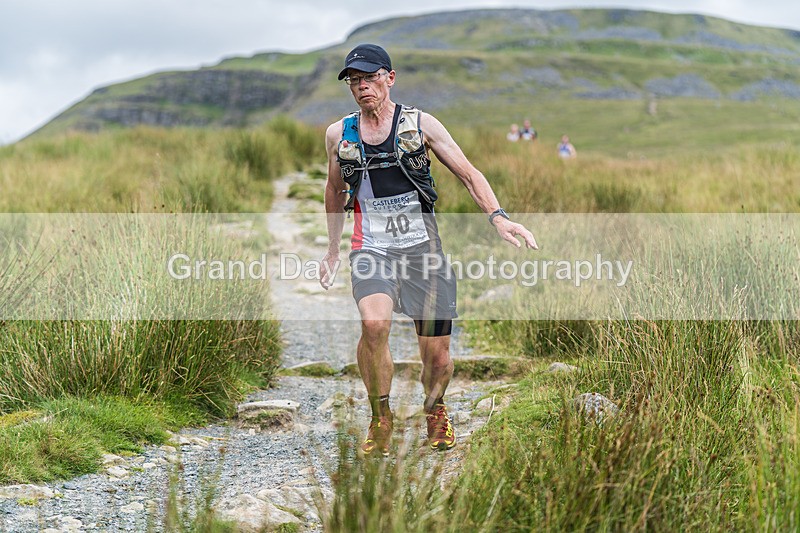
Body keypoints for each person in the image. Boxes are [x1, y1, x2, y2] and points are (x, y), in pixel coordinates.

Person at [320, 44, 538, 456]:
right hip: (372, 248)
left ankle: (435, 408)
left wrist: (499, 217)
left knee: (436, 355)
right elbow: (334, 189)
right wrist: (333, 249)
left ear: (390, 77)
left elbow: (469, 173)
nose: (362, 86)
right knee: (374, 325)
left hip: (423, 251)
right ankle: (380, 416)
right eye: (354, 80)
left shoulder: (421, 124)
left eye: (369, 77)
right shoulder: (339, 134)